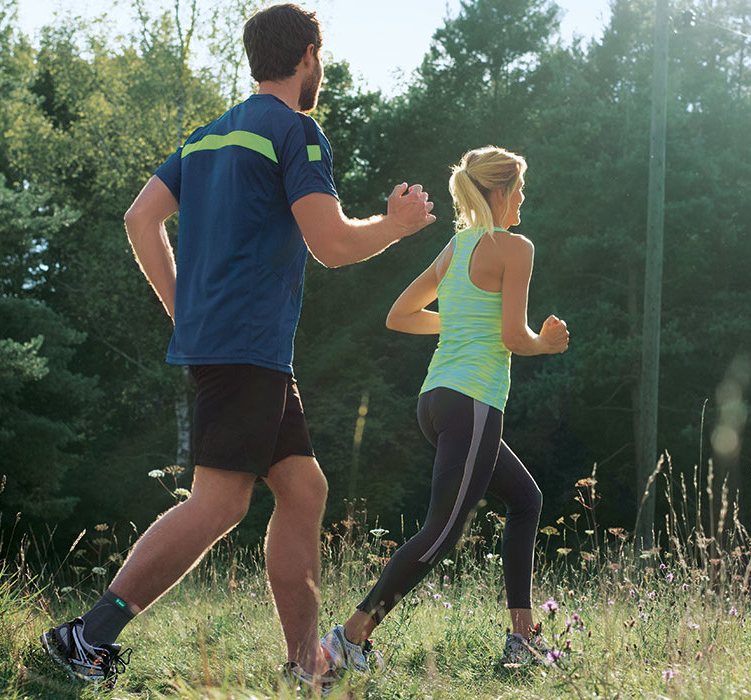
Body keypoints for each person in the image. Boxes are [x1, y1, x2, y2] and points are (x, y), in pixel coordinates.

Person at [39, 2, 435, 693]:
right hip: (247, 346)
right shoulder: (296, 131)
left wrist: (183, 310)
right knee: (219, 503)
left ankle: (305, 662)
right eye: (322, 55)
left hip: (240, 348)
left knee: (304, 488)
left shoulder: (207, 138)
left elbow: (141, 219)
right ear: (308, 54)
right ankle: (87, 636)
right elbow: (332, 243)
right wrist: (398, 227)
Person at [320, 146, 569, 673]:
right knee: (441, 532)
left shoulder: (456, 249)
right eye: (519, 188)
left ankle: (522, 639)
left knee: (525, 499)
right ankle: (349, 637)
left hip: (436, 402)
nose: (523, 197)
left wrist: (460, 322)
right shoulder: (515, 247)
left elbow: (400, 314)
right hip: (474, 401)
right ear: (499, 192)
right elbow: (512, 337)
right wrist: (544, 344)